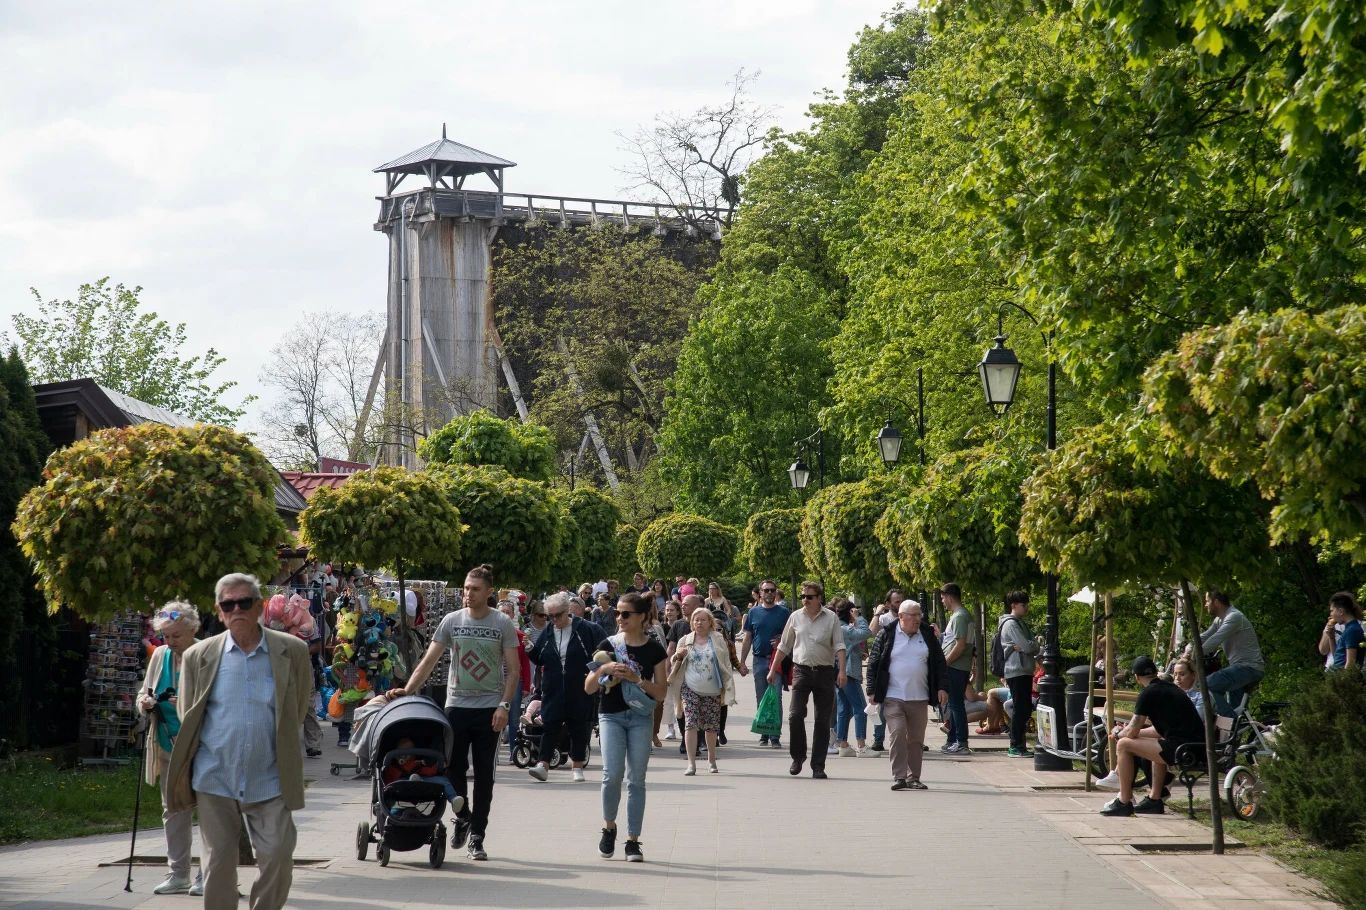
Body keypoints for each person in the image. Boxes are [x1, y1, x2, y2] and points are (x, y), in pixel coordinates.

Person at [165, 574, 312, 910]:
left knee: (277, 856)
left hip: (271, 775)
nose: (237, 609)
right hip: (215, 776)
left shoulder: (293, 650)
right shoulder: (198, 656)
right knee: (217, 867)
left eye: (244, 602)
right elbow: (189, 715)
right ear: (219, 612)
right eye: (228, 604)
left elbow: (298, 708)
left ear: (260, 606)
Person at [391, 564, 519, 861]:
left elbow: (512, 671)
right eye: (465, 588)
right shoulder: (451, 620)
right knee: (452, 767)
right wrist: (408, 690)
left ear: (489, 592)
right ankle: (463, 817)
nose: (468, 594)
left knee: (485, 774)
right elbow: (428, 660)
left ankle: (477, 835)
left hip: (490, 709)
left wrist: (504, 705)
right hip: (456, 705)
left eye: (474, 589)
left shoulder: (502, 623)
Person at [586, 593, 668, 863]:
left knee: (636, 779)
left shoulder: (655, 649)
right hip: (610, 715)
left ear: (642, 616)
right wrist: (604, 669)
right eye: (617, 614)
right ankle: (609, 828)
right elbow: (588, 687)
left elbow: (661, 693)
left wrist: (637, 678)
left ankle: (633, 840)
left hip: (640, 717)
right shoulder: (608, 645)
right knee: (611, 774)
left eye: (626, 614)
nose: (619, 618)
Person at [138, 603, 203, 896]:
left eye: (176, 636)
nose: (170, 642)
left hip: (203, 746)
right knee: (174, 810)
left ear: (192, 630)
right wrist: (144, 703)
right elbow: (145, 691)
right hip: (166, 744)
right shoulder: (160, 655)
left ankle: (209, 875)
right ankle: (178, 874)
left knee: (210, 812)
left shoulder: (206, 654)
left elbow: (221, 701)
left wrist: (188, 704)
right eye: (165, 636)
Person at [1099, 656, 1205, 816]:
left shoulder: (1148, 693)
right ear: (1156, 672)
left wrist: (1117, 733)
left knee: (1123, 745)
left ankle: (1124, 801)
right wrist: (1128, 733)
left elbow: (1132, 731)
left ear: (1136, 677)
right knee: (1153, 740)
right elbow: (1157, 730)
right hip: (1196, 748)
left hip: (1183, 750)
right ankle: (1155, 800)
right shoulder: (1171, 689)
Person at [866, 600, 949, 790]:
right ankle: (899, 777)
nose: (918, 619)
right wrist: (871, 690)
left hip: (919, 697)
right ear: (901, 616)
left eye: (919, 615)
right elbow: (874, 663)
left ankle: (914, 778)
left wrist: (942, 687)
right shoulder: (887, 634)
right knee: (897, 734)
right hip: (893, 696)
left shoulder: (927, 634)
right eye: (914, 615)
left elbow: (939, 663)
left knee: (915, 739)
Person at [526, 591, 607, 783]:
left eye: (557, 615)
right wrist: (529, 648)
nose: (554, 620)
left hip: (580, 685)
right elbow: (540, 657)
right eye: (550, 616)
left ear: (567, 612)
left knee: (578, 725)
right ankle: (543, 765)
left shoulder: (587, 628)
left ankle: (577, 766)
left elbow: (604, 650)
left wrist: (594, 672)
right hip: (553, 686)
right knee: (549, 725)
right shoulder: (547, 631)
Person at [768, 581, 845, 779]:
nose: (805, 600)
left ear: (819, 598)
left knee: (822, 719)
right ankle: (798, 756)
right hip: (801, 670)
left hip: (825, 672)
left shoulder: (831, 618)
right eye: (803, 596)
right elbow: (784, 645)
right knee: (795, 715)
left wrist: (842, 671)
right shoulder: (795, 617)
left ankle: (818, 765)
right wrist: (773, 670)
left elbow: (839, 645)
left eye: (809, 597)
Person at [667, 607, 736, 775]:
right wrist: (678, 655)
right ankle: (691, 764)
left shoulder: (718, 639)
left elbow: (726, 664)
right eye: (696, 620)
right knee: (690, 724)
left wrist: (728, 686)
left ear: (710, 622)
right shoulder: (686, 640)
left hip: (713, 690)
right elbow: (674, 658)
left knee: (711, 727)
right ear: (692, 623)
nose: (699, 623)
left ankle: (711, 760)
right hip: (690, 688)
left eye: (703, 619)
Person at [1196, 589, 1265, 717]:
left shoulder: (1234, 617)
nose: (1205, 604)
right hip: (1242, 669)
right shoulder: (1219, 620)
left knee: (1205, 686)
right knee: (1236, 710)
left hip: (1247, 668)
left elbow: (1215, 640)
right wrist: (1188, 648)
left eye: (1207, 601)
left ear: (1216, 602)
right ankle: (1233, 730)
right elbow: (1204, 636)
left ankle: (1231, 723)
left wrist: (1193, 655)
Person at [739, 580, 790, 749]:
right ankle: (764, 732)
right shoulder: (753, 612)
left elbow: (791, 635)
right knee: (761, 698)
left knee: (776, 697)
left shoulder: (783, 612)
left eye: (772, 590)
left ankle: (775, 735)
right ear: (760, 593)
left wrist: (782, 640)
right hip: (759, 660)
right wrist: (742, 662)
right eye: (765, 590)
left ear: (776, 593)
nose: (769, 593)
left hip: (776, 660)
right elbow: (747, 638)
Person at [998, 590, 1041, 757]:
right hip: (1016, 670)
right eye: (1023, 605)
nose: (1026, 608)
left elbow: (1033, 645)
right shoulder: (1011, 624)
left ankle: (1019, 744)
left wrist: (1030, 645)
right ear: (1013, 605)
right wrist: (1030, 645)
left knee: (1023, 709)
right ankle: (1015, 745)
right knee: (1019, 708)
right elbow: (1031, 646)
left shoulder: (1021, 623)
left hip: (1024, 670)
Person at [938, 583, 975, 754]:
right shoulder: (962, 615)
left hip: (956, 666)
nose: (942, 601)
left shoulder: (959, 617)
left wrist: (945, 662)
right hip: (958, 666)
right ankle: (953, 739)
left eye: (943, 597)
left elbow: (960, 645)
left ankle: (961, 742)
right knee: (954, 705)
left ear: (950, 597)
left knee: (956, 705)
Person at [832, 597, 871, 756]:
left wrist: (857, 652)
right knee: (861, 708)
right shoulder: (844, 629)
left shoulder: (839, 628)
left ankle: (843, 744)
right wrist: (859, 618)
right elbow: (867, 633)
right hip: (848, 673)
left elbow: (847, 647)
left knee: (843, 709)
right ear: (849, 612)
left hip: (841, 671)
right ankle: (861, 746)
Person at [868, 589, 905, 752]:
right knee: (882, 705)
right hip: (885, 669)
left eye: (901, 600)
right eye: (897, 601)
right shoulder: (884, 619)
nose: (900, 604)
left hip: (904, 669)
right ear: (889, 604)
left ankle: (911, 738)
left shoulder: (909, 617)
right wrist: (877, 613)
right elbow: (872, 632)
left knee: (909, 705)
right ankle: (878, 739)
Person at [498, 599, 532, 765]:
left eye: (508, 612)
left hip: (515, 682)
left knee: (513, 719)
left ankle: (514, 752)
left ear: (513, 615)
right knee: (493, 717)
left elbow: (524, 662)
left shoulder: (519, 636)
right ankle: (493, 753)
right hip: (495, 681)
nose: (505, 615)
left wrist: (526, 685)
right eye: (502, 611)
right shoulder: (493, 634)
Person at [1319, 591, 1364, 670]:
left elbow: (1350, 663)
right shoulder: (1348, 629)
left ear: (1341, 611)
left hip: (1343, 679)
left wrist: (1342, 681)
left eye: (1332, 611)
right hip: (1336, 674)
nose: (1331, 615)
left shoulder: (1352, 630)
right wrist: (1331, 637)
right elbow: (1337, 657)